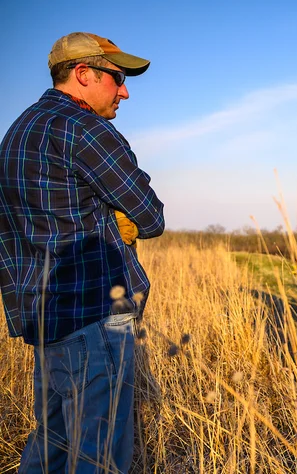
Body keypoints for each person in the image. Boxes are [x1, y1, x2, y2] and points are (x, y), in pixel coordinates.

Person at [0, 32, 164, 473]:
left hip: (44, 320)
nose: (124, 91)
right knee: (99, 456)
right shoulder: (86, 129)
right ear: (83, 74)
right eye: (118, 77)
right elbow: (150, 217)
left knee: (50, 447)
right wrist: (119, 219)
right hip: (94, 316)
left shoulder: (16, 133)